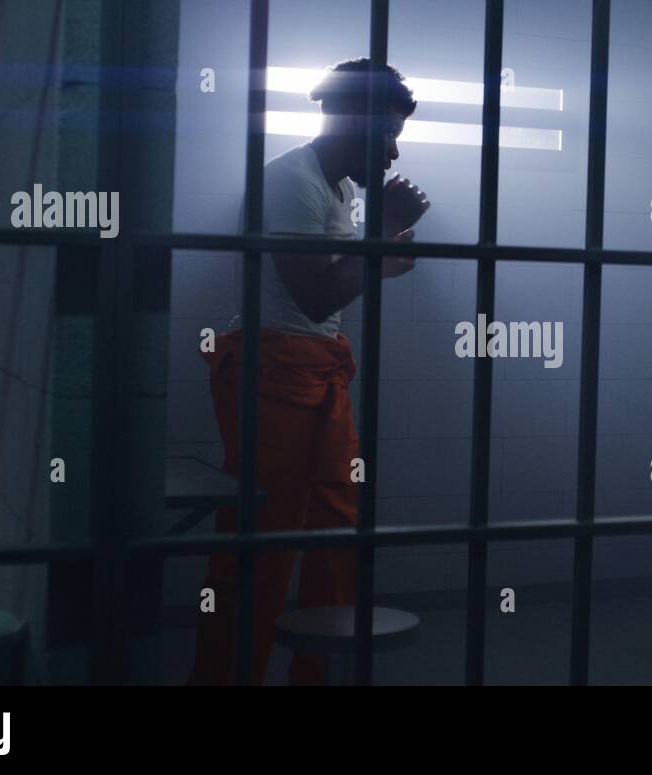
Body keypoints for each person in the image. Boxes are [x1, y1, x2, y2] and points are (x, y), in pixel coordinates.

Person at [188, 58, 429, 685]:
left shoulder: (338, 188)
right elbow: (313, 296)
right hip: (273, 375)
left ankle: (312, 679)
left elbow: (333, 280)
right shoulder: (289, 180)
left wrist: (378, 253)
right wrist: (378, 239)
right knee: (262, 548)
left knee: (335, 535)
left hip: (316, 374)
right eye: (387, 136)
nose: (394, 152)